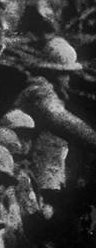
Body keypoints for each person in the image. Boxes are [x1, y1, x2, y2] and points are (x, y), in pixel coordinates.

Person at [13, 37, 96, 193]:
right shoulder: (39, 90)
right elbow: (60, 118)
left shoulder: (49, 90)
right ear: (56, 72)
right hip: (26, 164)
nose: (69, 79)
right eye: (67, 74)